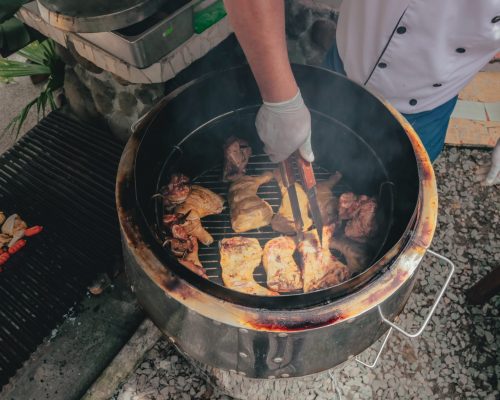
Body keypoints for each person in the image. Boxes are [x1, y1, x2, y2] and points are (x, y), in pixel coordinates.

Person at [223, 0, 500, 185]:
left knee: (394, 203)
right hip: (340, 72)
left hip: (424, 113)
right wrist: (280, 98)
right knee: (307, 163)